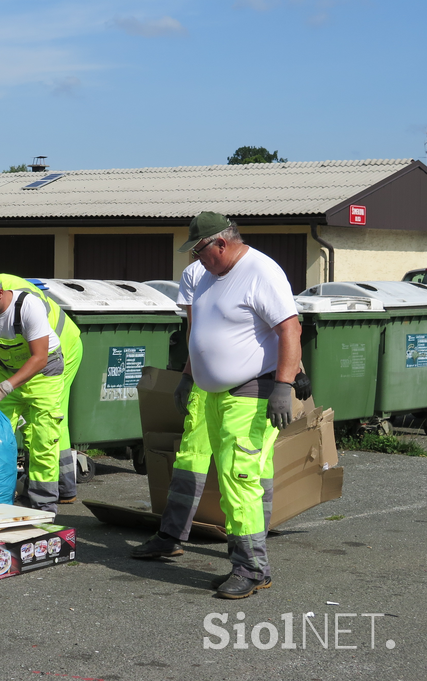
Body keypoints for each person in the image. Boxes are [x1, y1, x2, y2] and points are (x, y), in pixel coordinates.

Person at [129, 211, 308, 599]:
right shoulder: (209, 276)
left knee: (238, 479)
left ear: (220, 243)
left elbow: (289, 329)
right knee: (242, 476)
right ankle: (248, 563)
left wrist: (284, 385)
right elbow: (201, 333)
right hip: (211, 393)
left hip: (248, 392)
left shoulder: (261, 271)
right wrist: (190, 375)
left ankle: (251, 568)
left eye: (198, 250)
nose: (195, 259)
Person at [0, 267, 83, 513]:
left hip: (45, 373)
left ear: (0, 293)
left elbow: (39, 358)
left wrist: (3, 388)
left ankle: (43, 508)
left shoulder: (28, 307)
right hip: (9, 370)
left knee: (42, 439)